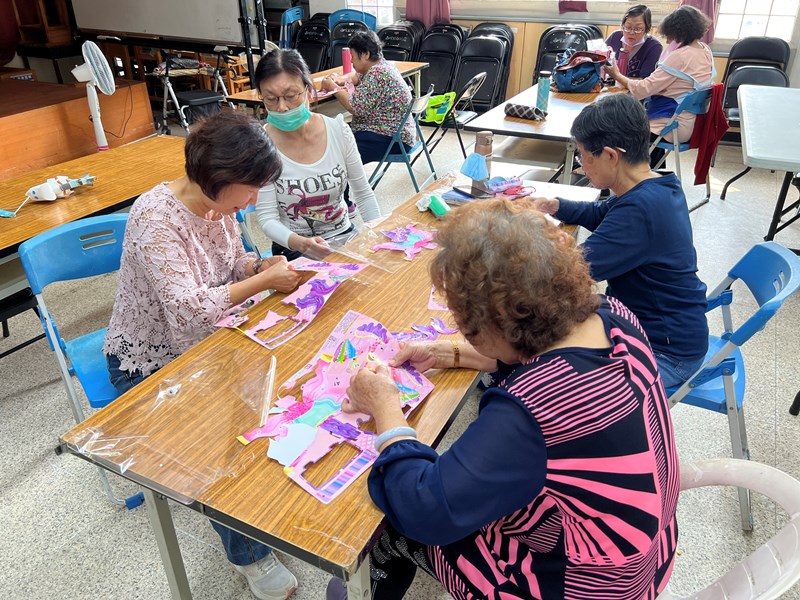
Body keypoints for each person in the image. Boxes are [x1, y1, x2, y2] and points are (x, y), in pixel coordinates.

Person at [327, 199, 679, 600]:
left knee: (387, 526)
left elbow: (426, 509)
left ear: (493, 324)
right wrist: (448, 353)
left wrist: (386, 409)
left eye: (467, 327)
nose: (465, 333)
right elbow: (531, 350)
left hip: (578, 586)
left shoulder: (536, 406)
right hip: (641, 553)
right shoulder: (612, 316)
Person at [103, 110, 301, 600]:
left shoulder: (218, 207)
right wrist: (261, 282)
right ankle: (248, 556)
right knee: (220, 440)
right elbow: (187, 311)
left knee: (281, 388)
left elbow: (232, 266)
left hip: (209, 339)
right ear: (220, 178)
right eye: (250, 189)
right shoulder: (155, 218)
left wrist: (262, 264)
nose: (253, 200)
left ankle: (257, 503)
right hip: (149, 361)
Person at [530, 92, 708, 388]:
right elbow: (600, 211)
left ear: (610, 155)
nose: (581, 164)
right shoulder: (656, 185)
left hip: (665, 353)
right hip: (661, 329)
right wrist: (553, 205)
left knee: (552, 384)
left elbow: (571, 273)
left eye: (583, 156)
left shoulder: (640, 210)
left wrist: (530, 243)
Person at [254, 48, 381, 261]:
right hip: (293, 246)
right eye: (271, 99)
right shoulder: (261, 145)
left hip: (343, 236)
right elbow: (267, 218)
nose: (282, 107)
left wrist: (378, 235)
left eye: (291, 96)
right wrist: (301, 244)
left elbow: (363, 192)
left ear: (309, 90)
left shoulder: (338, 130)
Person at [606, 4, 713, 166]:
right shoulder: (705, 51)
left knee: (611, 128)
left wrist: (617, 75)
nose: (668, 40)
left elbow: (642, 90)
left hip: (672, 126)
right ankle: (654, 172)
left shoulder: (680, 56)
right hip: (691, 122)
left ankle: (615, 181)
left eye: (670, 35)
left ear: (679, 32)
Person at [320, 30, 415, 165]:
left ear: (365, 54)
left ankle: (346, 185)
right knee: (339, 137)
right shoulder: (382, 65)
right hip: (395, 133)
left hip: (392, 138)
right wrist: (340, 79)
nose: (351, 60)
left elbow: (355, 106)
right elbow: (356, 76)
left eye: (352, 56)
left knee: (340, 150)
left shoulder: (377, 72)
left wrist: (333, 87)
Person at [605, 4, 662, 80]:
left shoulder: (654, 46)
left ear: (647, 29)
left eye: (638, 29)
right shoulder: (615, 36)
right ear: (623, 25)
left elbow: (645, 81)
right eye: (628, 27)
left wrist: (618, 78)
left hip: (634, 90)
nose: (631, 32)